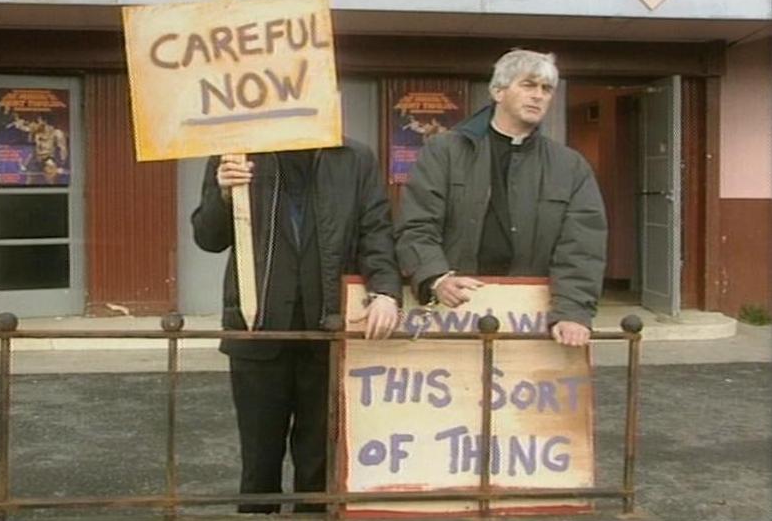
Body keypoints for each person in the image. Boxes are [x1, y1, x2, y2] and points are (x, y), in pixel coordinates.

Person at [191, 140, 401, 513]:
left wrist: (385, 290)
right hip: (257, 329)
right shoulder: (238, 152)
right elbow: (208, 239)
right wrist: (222, 194)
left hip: (328, 328)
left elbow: (376, 230)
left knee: (319, 460)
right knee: (259, 459)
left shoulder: (355, 158)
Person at [395, 49, 607, 346]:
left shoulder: (569, 166)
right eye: (528, 85)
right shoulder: (444, 152)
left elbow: (582, 247)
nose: (538, 96)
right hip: (455, 311)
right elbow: (416, 224)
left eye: (546, 89)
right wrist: (436, 277)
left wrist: (572, 310)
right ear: (498, 91)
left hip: (530, 314)